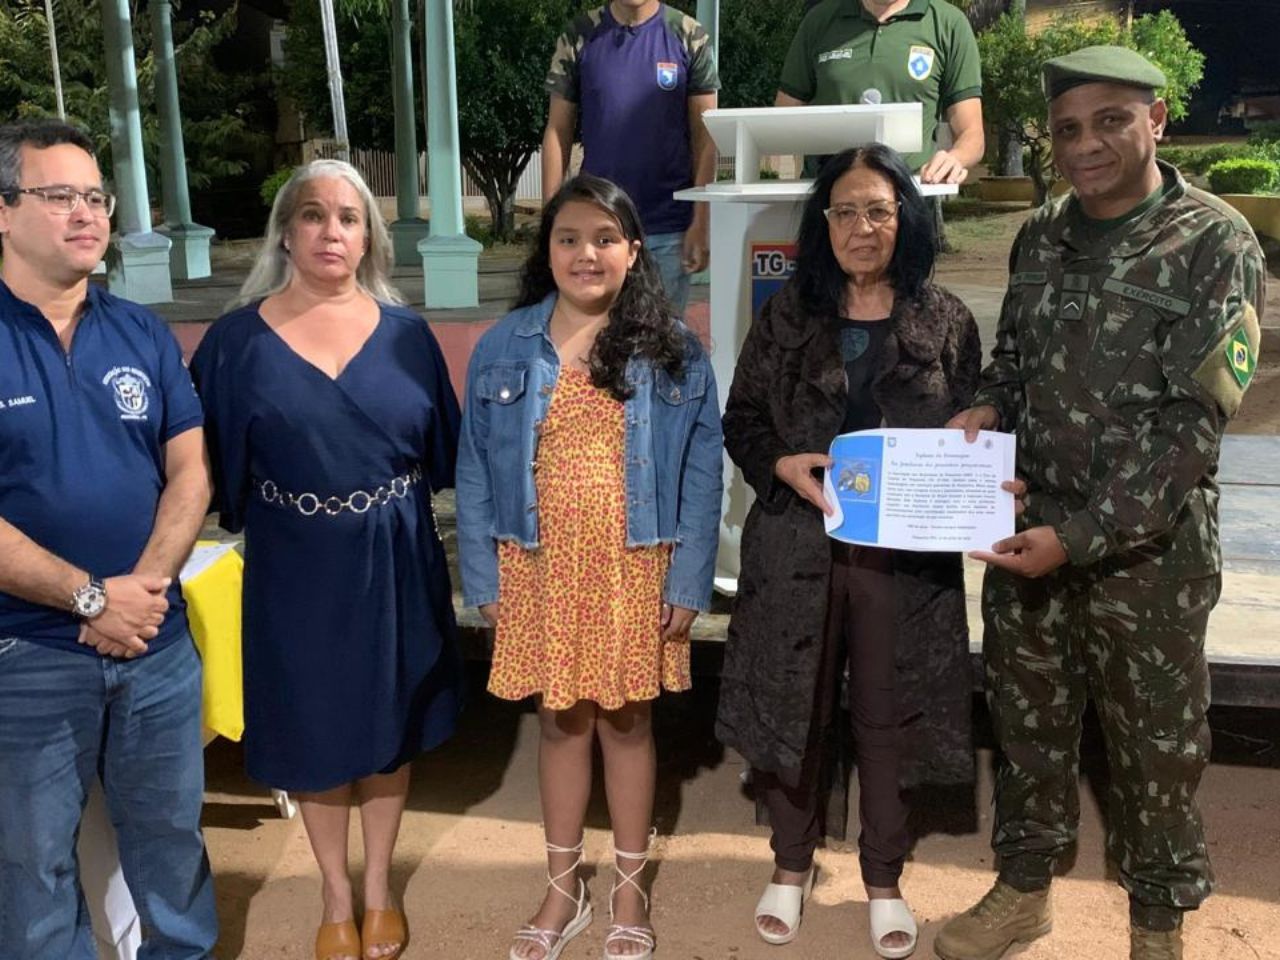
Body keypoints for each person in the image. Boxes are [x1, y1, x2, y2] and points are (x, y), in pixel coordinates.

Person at [937, 46, 1266, 960]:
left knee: (1156, 751)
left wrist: (1081, 535)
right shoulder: (1040, 233)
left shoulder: (1215, 242)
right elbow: (1013, 358)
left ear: (1156, 120)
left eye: (1111, 120)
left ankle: (1156, 930)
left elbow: (1193, 428)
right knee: (1027, 728)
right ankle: (1024, 892)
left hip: (1148, 559)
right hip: (1030, 534)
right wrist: (989, 407)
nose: (1086, 143)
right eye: (1068, 128)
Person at [190, 159, 463, 960]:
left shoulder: (408, 337)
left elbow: (442, 456)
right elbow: (202, 472)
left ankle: (378, 889)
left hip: (398, 556)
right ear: (286, 232)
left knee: (389, 722)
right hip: (294, 562)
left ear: (369, 238)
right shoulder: (235, 343)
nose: (331, 231)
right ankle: (334, 894)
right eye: (313, 215)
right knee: (315, 728)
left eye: (349, 218)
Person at [715, 144, 983, 960]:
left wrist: (976, 450)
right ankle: (790, 864)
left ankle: (883, 875)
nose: (861, 227)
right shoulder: (787, 316)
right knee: (794, 701)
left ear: (905, 219)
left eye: (877, 210)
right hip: (798, 544)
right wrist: (779, 466)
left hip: (902, 560)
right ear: (821, 224)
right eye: (844, 212)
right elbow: (743, 419)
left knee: (889, 710)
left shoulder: (945, 320)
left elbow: (973, 423)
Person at [456, 174, 723, 960]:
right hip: (537, 563)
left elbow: (703, 470)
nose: (586, 253)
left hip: (633, 563)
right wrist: (484, 577)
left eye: (605, 238)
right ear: (547, 250)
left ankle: (629, 889)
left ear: (634, 250)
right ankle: (562, 887)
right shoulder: (505, 345)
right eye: (568, 237)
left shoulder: (672, 348)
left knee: (629, 723)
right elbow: (474, 466)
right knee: (560, 722)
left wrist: (688, 578)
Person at [0, 119, 217, 958]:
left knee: (171, 843)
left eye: (96, 197)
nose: (86, 213)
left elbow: (190, 474)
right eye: (60, 196)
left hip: (153, 647)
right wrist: (91, 600)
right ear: (5, 210)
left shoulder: (142, 332)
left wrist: (140, 597)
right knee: (31, 867)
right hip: (26, 654)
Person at [542, 0, 719, 316]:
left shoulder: (689, 35)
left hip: (668, 230)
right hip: (597, 232)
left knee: (660, 339)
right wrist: (552, 222)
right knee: (594, 336)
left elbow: (706, 136)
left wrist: (702, 220)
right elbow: (557, 131)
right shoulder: (579, 35)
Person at [777, 0, 985, 185]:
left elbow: (972, 134)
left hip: (911, 195)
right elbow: (783, 119)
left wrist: (954, 158)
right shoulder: (820, 20)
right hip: (829, 197)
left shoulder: (947, 23)